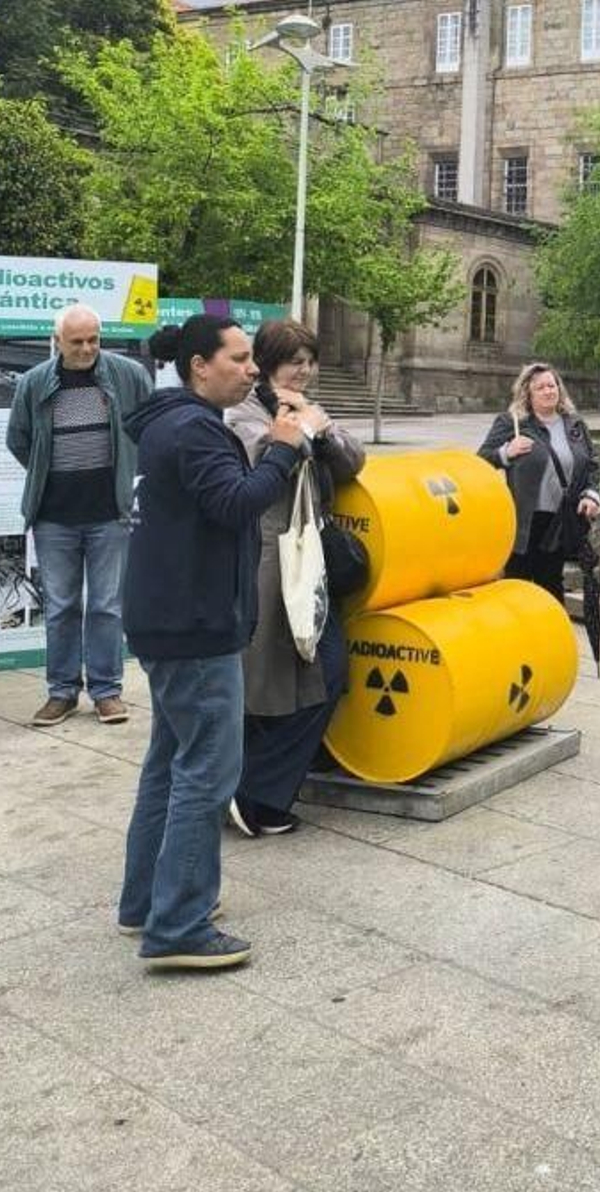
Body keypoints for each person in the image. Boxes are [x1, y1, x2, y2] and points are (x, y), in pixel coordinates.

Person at [116, 316, 306, 969]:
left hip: (172, 618)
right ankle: (179, 925)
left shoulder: (177, 423)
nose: (252, 369)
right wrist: (281, 448)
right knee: (208, 770)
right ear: (201, 365)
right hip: (193, 626)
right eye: (240, 357)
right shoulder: (194, 429)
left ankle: (148, 901)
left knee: (170, 763)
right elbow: (236, 504)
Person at [225, 320, 364, 837]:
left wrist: (321, 428)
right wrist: (302, 426)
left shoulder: (310, 409)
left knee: (326, 671)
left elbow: (353, 461)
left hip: (309, 561)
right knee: (272, 679)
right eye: (294, 361)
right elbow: (267, 457)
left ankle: (255, 785)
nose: (304, 370)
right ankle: (252, 790)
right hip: (269, 560)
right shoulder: (243, 413)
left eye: (309, 360)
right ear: (266, 363)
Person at [5, 304, 150, 726]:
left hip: (110, 512)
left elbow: (147, 427)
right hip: (53, 516)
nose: (87, 349)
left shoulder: (128, 375)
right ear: (58, 342)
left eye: (94, 340)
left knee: (106, 605)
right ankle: (62, 691)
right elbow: (20, 440)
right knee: (61, 606)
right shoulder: (34, 383)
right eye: (77, 342)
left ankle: (107, 690)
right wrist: (52, 472)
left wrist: (127, 472)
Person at [477, 362, 600, 602]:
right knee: (517, 587)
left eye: (552, 385)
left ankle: (553, 637)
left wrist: (591, 493)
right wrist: (506, 452)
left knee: (551, 586)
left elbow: (591, 465)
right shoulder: (511, 423)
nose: (548, 391)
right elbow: (480, 459)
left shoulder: (574, 425)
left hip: (559, 521)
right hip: (523, 522)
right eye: (540, 387)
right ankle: (518, 638)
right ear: (528, 393)